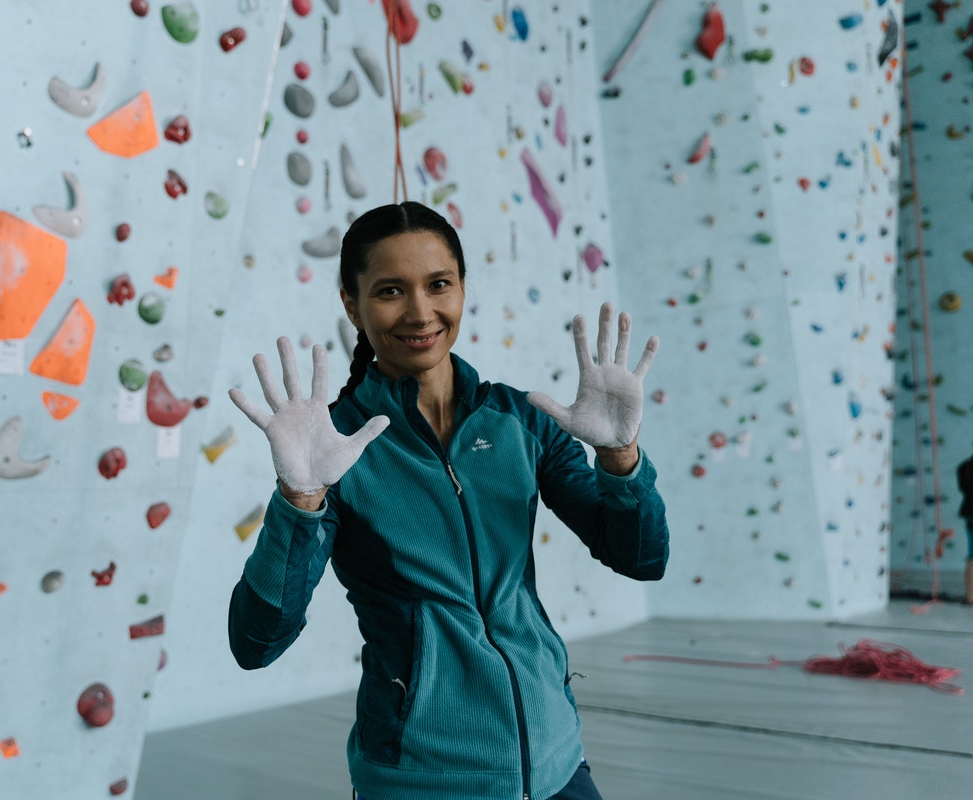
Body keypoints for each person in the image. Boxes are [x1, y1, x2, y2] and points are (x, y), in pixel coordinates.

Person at [226, 201, 669, 800]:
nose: (419, 312)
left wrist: (621, 459)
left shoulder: (522, 422)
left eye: (439, 285)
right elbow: (255, 643)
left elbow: (640, 558)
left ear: (462, 288)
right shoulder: (336, 447)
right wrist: (299, 502)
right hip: (421, 775)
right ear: (351, 304)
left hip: (555, 758)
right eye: (389, 291)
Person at [959, 451, 973, 604]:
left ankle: (970, 595)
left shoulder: (964, 467)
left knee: (972, 556)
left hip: (970, 513)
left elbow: (963, 489)